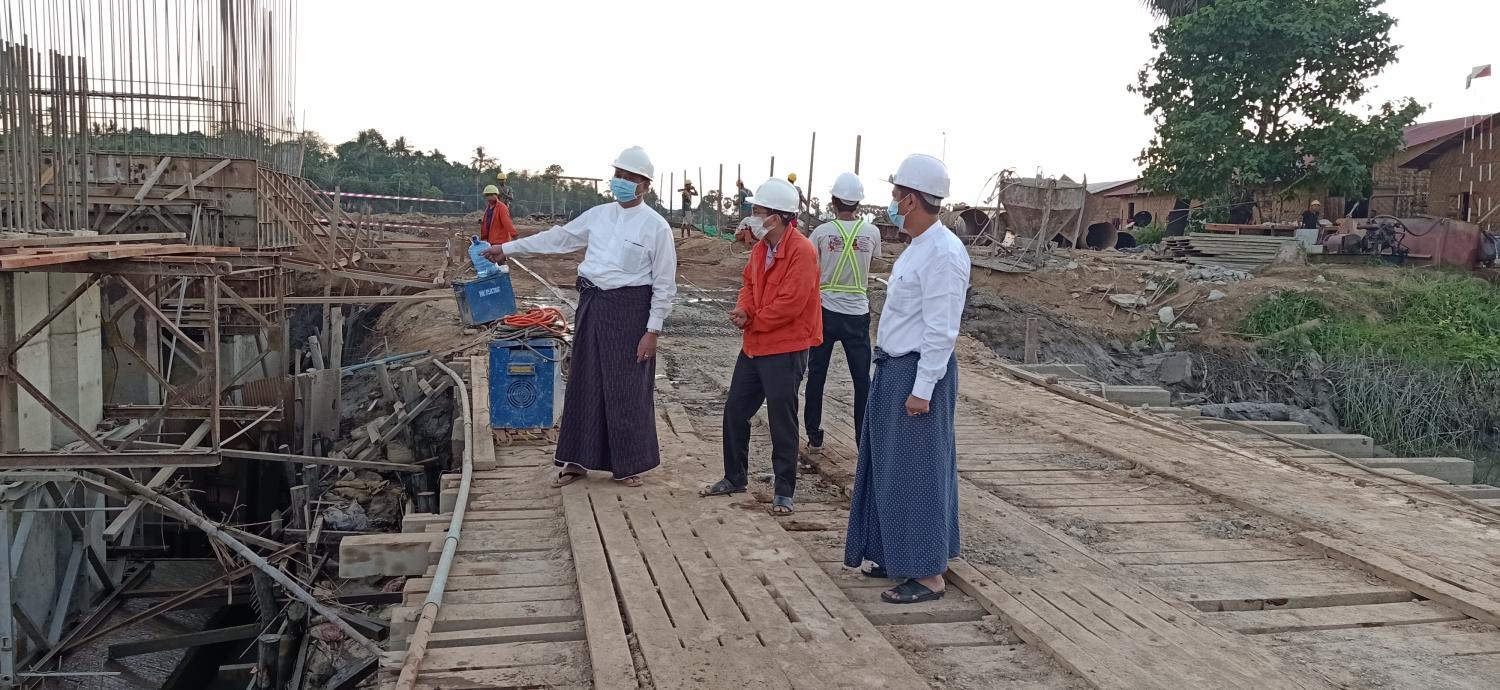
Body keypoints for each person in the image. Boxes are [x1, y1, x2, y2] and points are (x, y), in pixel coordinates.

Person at [480, 146, 677, 488]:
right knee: (584, 381)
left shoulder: (656, 227)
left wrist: (653, 331)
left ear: (645, 185)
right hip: (592, 304)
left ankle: (628, 463)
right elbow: (558, 239)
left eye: (629, 177)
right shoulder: (598, 216)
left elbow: (664, 284)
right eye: (618, 175)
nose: (621, 182)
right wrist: (506, 248)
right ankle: (577, 460)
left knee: (626, 386)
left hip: (631, 312)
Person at [844, 154, 969, 604]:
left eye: (896, 195)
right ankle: (893, 552)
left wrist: (922, 388)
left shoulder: (944, 254)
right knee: (889, 466)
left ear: (911, 200)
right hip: (895, 368)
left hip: (918, 373)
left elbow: (941, 329)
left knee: (918, 472)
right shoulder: (919, 247)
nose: (892, 203)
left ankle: (928, 572)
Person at [701, 178, 822, 515]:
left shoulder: (802, 251)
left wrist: (753, 320)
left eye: (758, 211)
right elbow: (749, 285)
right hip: (755, 345)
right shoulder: (760, 249)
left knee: (782, 419)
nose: (752, 216)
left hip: (786, 347)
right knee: (735, 410)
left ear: (777, 217)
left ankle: (784, 490)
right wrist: (744, 309)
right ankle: (734, 476)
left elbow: (791, 304)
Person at [804, 172, 880, 453]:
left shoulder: (821, 233)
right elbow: (874, 261)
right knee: (862, 379)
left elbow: (810, 266)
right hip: (857, 314)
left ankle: (814, 434)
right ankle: (863, 440)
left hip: (825, 312)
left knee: (817, 374)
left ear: (833, 201)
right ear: (858, 203)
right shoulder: (872, 233)